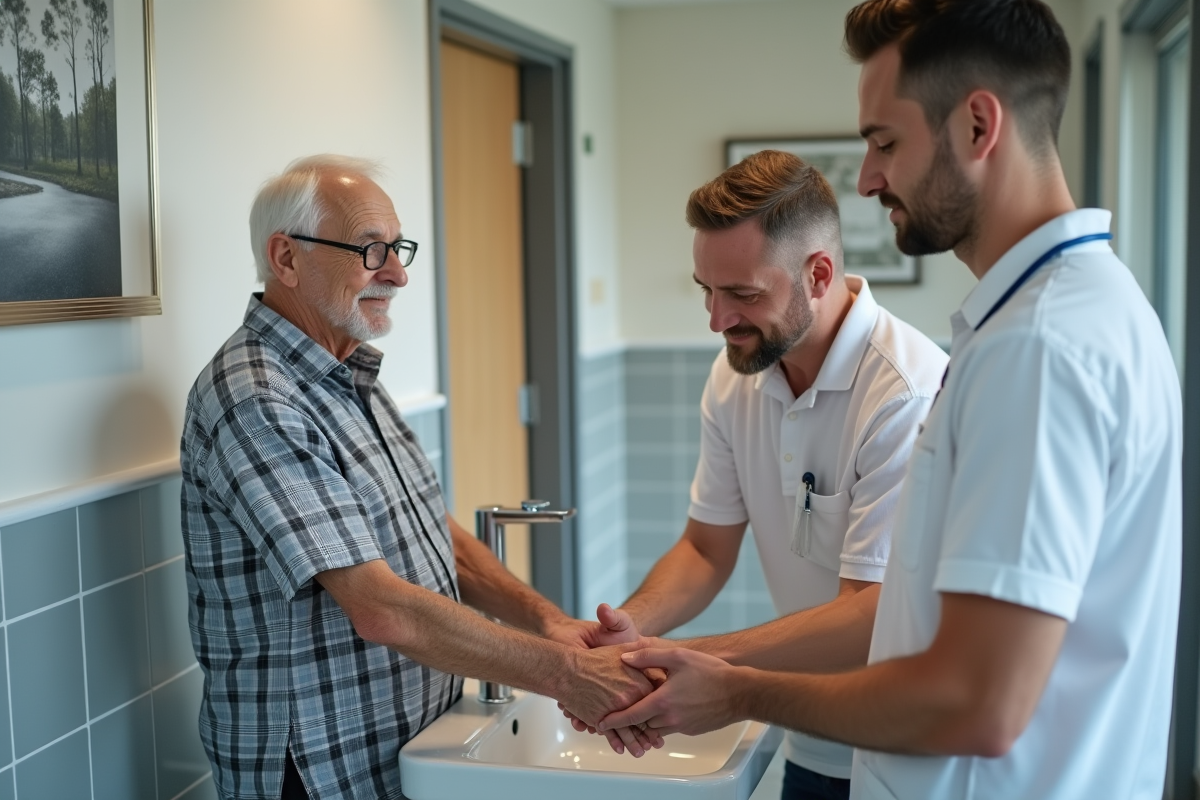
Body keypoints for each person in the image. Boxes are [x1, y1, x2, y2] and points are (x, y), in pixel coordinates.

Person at [598, 3, 1182, 800]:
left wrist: (732, 686)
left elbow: (974, 701)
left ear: (978, 125)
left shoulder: (1035, 349)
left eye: (884, 142)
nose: (868, 179)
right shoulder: (1056, 317)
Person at [180, 154, 657, 800]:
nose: (399, 274)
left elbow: (433, 533)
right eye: (371, 251)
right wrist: (569, 673)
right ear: (286, 258)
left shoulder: (349, 373)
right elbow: (378, 607)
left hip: (399, 745)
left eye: (398, 248)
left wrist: (546, 621)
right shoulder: (257, 398)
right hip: (321, 769)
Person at [574, 148, 948, 800]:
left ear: (819, 274)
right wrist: (632, 634)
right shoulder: (735, 375)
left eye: (743, 294)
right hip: (807, 736)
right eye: (707, 291)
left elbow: (870, 612)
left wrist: (695, 660)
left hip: (903, 750)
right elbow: (703, 548)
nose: (718, 320)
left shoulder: (904, 393)